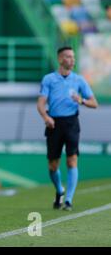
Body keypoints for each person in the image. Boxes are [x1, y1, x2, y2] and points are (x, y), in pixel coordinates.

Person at [37, 46, 98, 211]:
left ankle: (69, 200)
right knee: (53, 165)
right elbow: (41, 103)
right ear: (60, 59)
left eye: (73, 57)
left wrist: (82, 101)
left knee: (72, 160)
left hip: (71, 123)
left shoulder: (79, 80)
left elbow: (94, 103)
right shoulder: (49, 79)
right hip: (54, 123)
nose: (72, 60)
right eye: (68, 57)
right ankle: (59, 190)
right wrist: (46, 117)